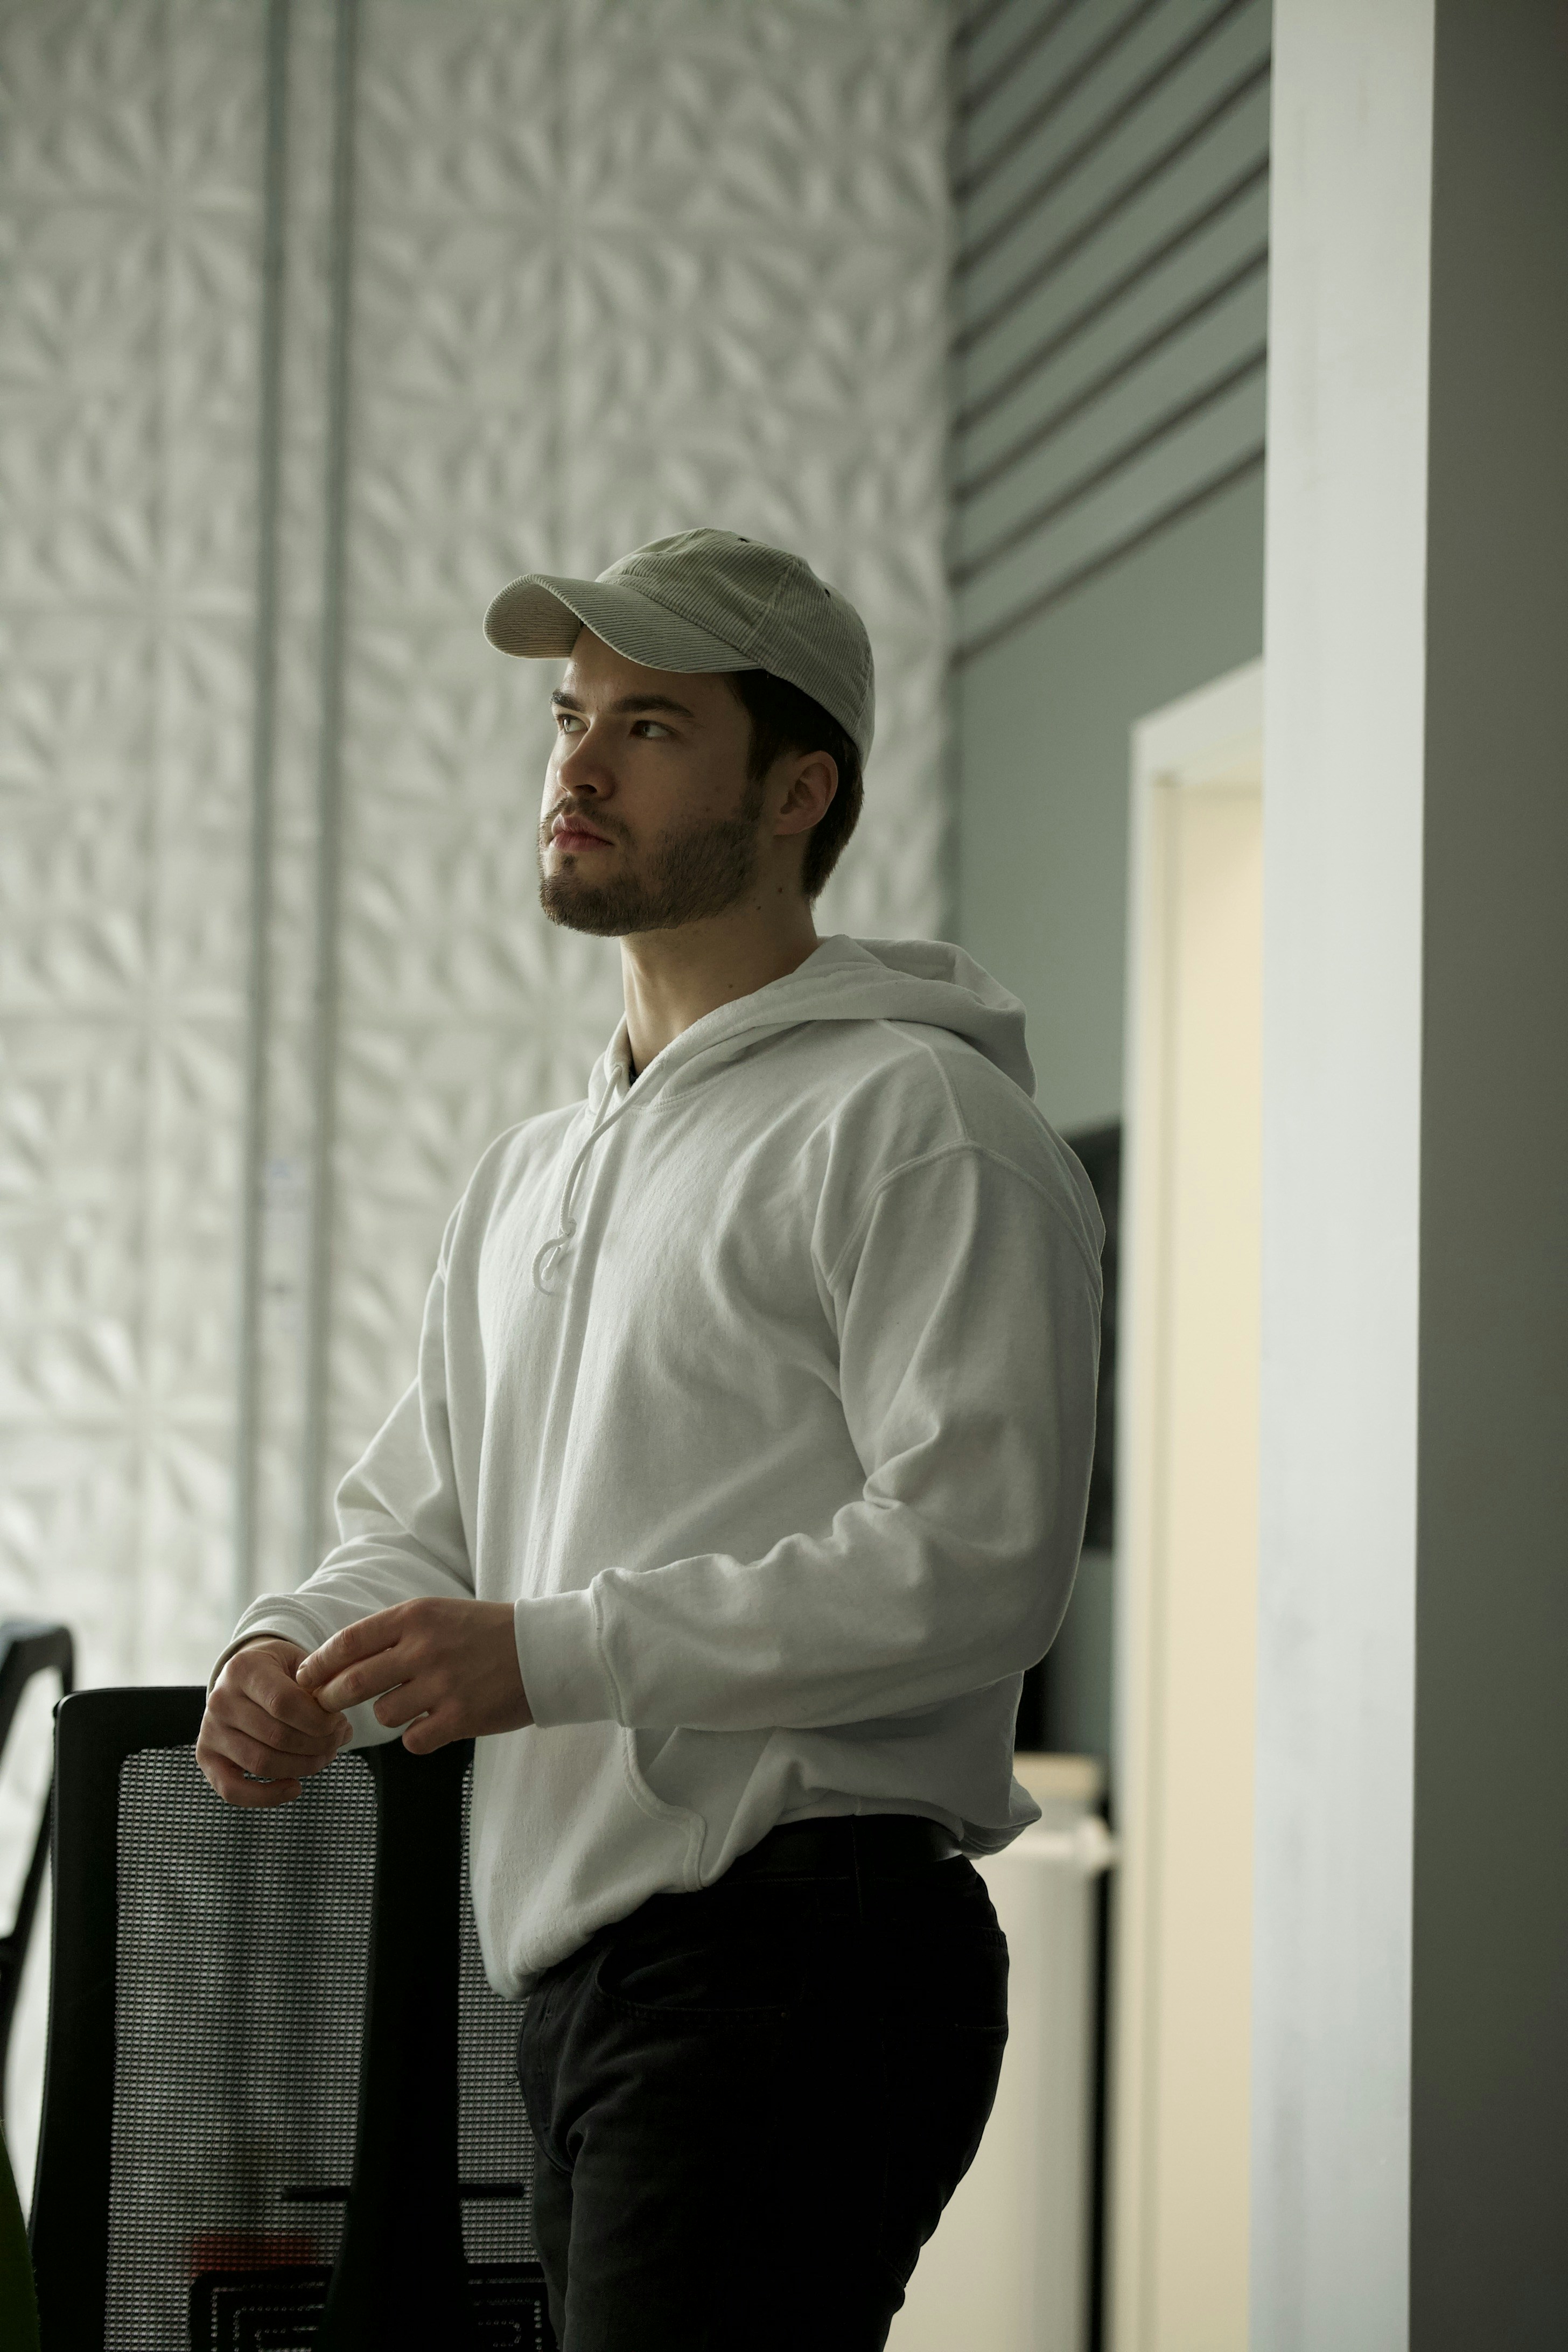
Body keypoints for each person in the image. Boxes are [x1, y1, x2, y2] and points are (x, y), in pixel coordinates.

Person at [198, 528, 1102, 2350]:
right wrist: (291, 1652)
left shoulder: (916, 1119)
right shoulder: (535, 1169)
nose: (579, 766)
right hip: (584, 1978)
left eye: (653, 726)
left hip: (799, 1965)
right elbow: (426, 1520)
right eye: (570, 716)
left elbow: (979, 1564)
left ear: (798, 788)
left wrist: (557, 1653)